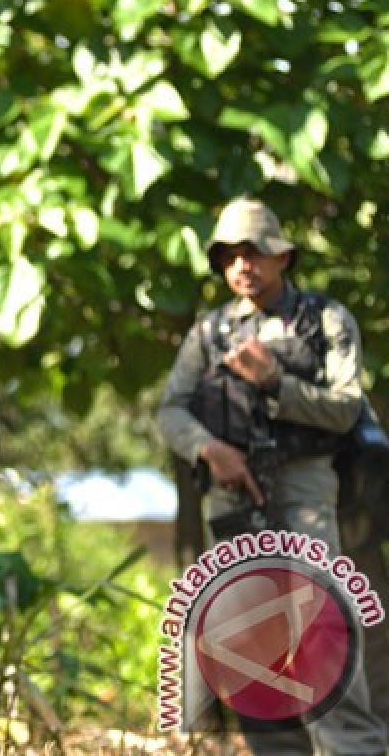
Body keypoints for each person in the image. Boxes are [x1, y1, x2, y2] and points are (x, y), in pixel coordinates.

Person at [156, 197, 387, 755]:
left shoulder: (325, 321)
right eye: (229, 255)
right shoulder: (208, 334)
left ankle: (354, 746)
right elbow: (171, 410)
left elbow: (347, 405)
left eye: (255, 252)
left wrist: (275, 383)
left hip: (307, 483)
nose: (242, 265)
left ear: (284, 256)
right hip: (232, 492)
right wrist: (211, 449)